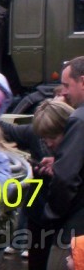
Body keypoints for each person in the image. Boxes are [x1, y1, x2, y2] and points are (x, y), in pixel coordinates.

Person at [0, 99, 74, 270]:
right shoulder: (34, 133)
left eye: (53, 137)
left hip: (71, 218)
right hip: (39, 214)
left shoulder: (78, 138)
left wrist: (61, 166)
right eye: (44, 137)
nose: (48, 143)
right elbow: (6, 130)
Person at [43, 56, 84, 270]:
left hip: (75, 228)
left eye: (67, 85)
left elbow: (66, 178)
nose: (64, 92)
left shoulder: (79, 119)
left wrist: (52, 213)